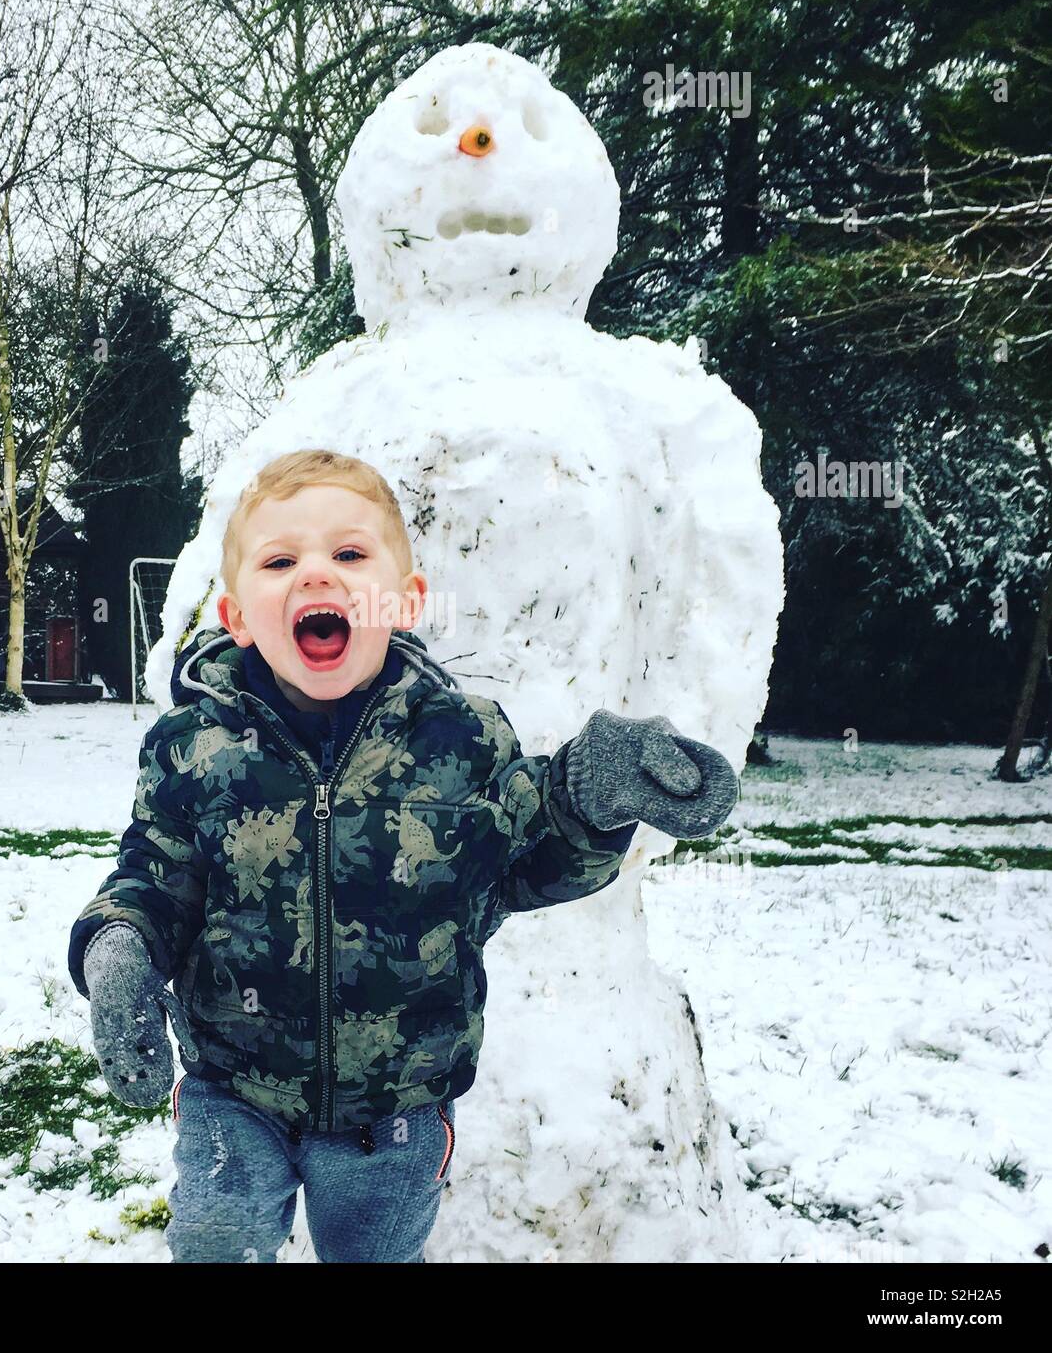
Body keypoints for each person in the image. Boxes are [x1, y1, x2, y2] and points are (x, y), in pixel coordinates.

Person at [67, 448, 739, 1263]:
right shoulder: (192, 748)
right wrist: (118, 948)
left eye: (349, 555)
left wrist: (590, 794)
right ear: (239, 615)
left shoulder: (460, 740)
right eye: (281, 561)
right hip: (233, 1092)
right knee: (214, 1244)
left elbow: (527, 854)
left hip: (395, 1113)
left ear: (404, 599)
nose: (317, 575)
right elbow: (154, 875)